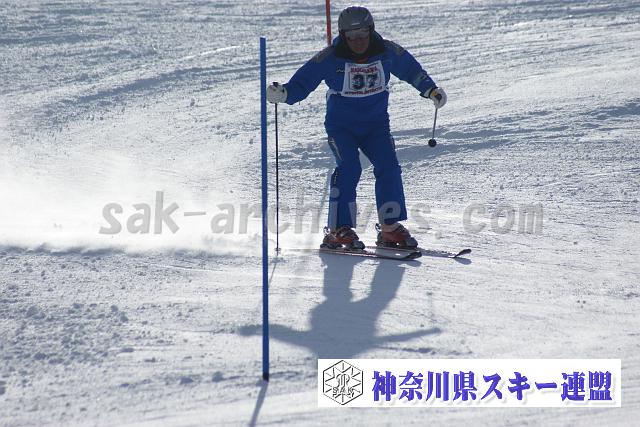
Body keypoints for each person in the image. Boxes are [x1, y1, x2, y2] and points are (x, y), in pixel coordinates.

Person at [267, 6, 447, 250]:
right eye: (351, 36)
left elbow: (412, 70)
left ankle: (389, 227)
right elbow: (303, 83)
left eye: (362, 33)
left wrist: (431, 90)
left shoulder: (387, 51)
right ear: (343, 35)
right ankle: (338, 229)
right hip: (342, 128)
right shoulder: (331, 57)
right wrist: (283, 93)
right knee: (349, 167)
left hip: (376, 126)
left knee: (389, 167)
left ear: (371, 30)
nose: (358, 41)